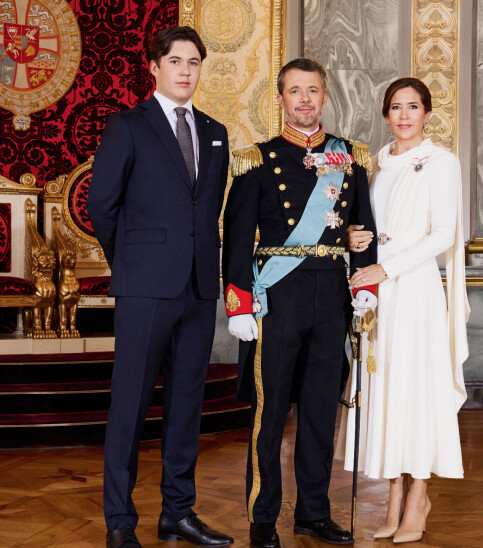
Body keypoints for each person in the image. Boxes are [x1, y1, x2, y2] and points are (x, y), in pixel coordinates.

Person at [222, 57, 378, 548]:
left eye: (313, 91)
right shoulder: (256, 159)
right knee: (269, 414)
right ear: (281, 98)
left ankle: (313, 512)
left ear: (325, 97)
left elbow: (363, 227)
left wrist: (365, 286)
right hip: (278, 296)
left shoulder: (349, 159)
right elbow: (236, 237)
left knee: (318, 411)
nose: (305, 100)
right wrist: (238, 304)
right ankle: (263, 516)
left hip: (331, 294)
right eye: (295, 91)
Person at [88, 26, 233, 548]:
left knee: (186, 406)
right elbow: (100, 205)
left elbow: (210, 209)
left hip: (198, 289)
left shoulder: (216, 132)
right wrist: (130, 262)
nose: (186, 70)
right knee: (129, 406)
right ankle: (120, 522)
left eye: (194, 61)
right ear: (155, 65)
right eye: (176, 60)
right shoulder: (128, 126)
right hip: (145, 289)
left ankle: (178, 512)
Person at [340, 77, 470, 544]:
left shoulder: (441, 162)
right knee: (385, 389)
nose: (404, 115)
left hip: (412, 290)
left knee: (414, 390)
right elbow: (369, 229)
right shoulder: (375, 166)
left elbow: (442, 235)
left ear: (427, 114)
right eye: (395, 107)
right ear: (386, 114)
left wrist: (384, 268)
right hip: (379, 292)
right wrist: (356, 242)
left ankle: (418, 495)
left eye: (413, 107)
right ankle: (393, 494)